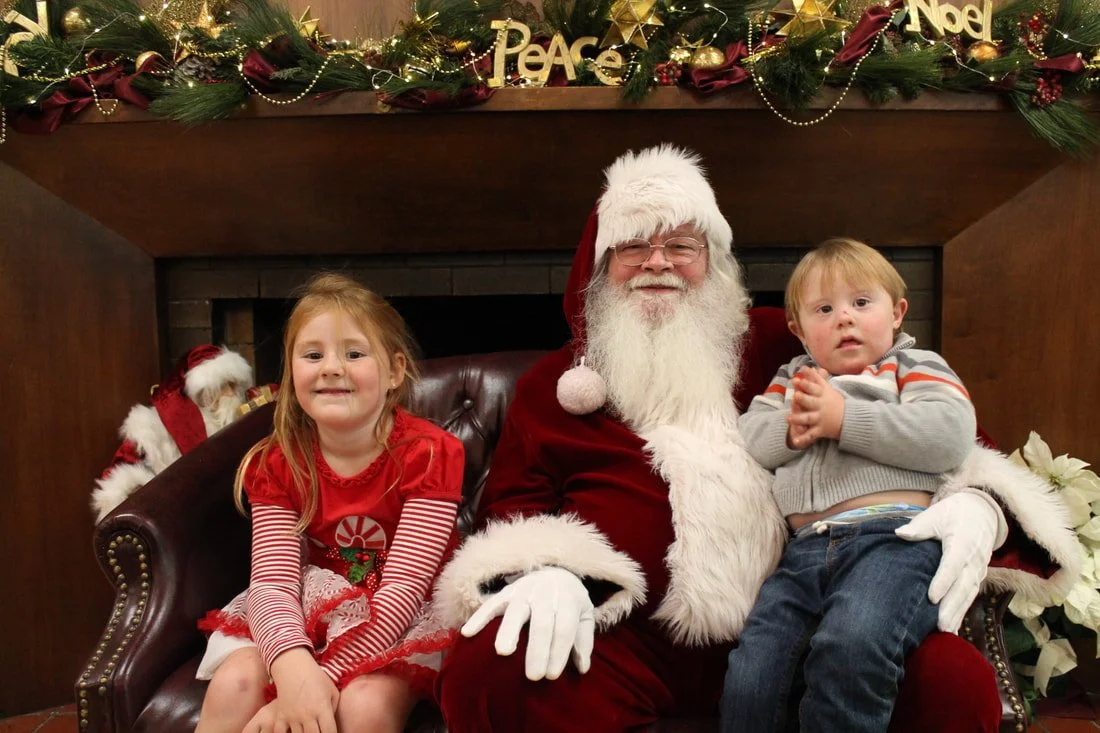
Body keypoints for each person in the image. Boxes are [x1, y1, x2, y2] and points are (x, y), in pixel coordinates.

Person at [432, 144, 1082, 733]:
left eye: (681, 244)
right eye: (634, 245)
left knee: (949, 679)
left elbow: (946, 427)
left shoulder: (784, 340)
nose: (657, 262)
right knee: (490, 667)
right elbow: (510, 512)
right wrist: (547, 570)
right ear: (599, 265)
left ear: (711, 261)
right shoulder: (555, 386)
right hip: (626, 643)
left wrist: (979, 504)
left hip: (816, 619)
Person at [720, 238, 996, 732]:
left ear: (897, 313)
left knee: (853, 644)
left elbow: (949, 436)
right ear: (799, 331)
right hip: (803, 553)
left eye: (861, 303)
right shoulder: (792, 379)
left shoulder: (915, 367)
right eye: (824, 309)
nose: (844, 318)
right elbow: (753, 438)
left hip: (894, 542)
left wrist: (843, 418)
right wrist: (794, 426)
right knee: (753, 670)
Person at [193, 273, 464, 733]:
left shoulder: (430, 454)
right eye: (312, 355)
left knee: (364, 705)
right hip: (311, 606)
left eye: (354, 354)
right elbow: (274, 585)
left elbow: (403, 594)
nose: (331, 367)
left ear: (395, 371)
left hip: (400, 615)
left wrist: (318, 682)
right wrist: (293, 670)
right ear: (291, 370)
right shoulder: (277, 462)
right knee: (236, 682)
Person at [91, 343, 254, 522]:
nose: (231, 395)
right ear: (200, 393)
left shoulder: (244, 421)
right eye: (223, 387)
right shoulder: (152, 429)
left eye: (234, 386)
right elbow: (116, 481)